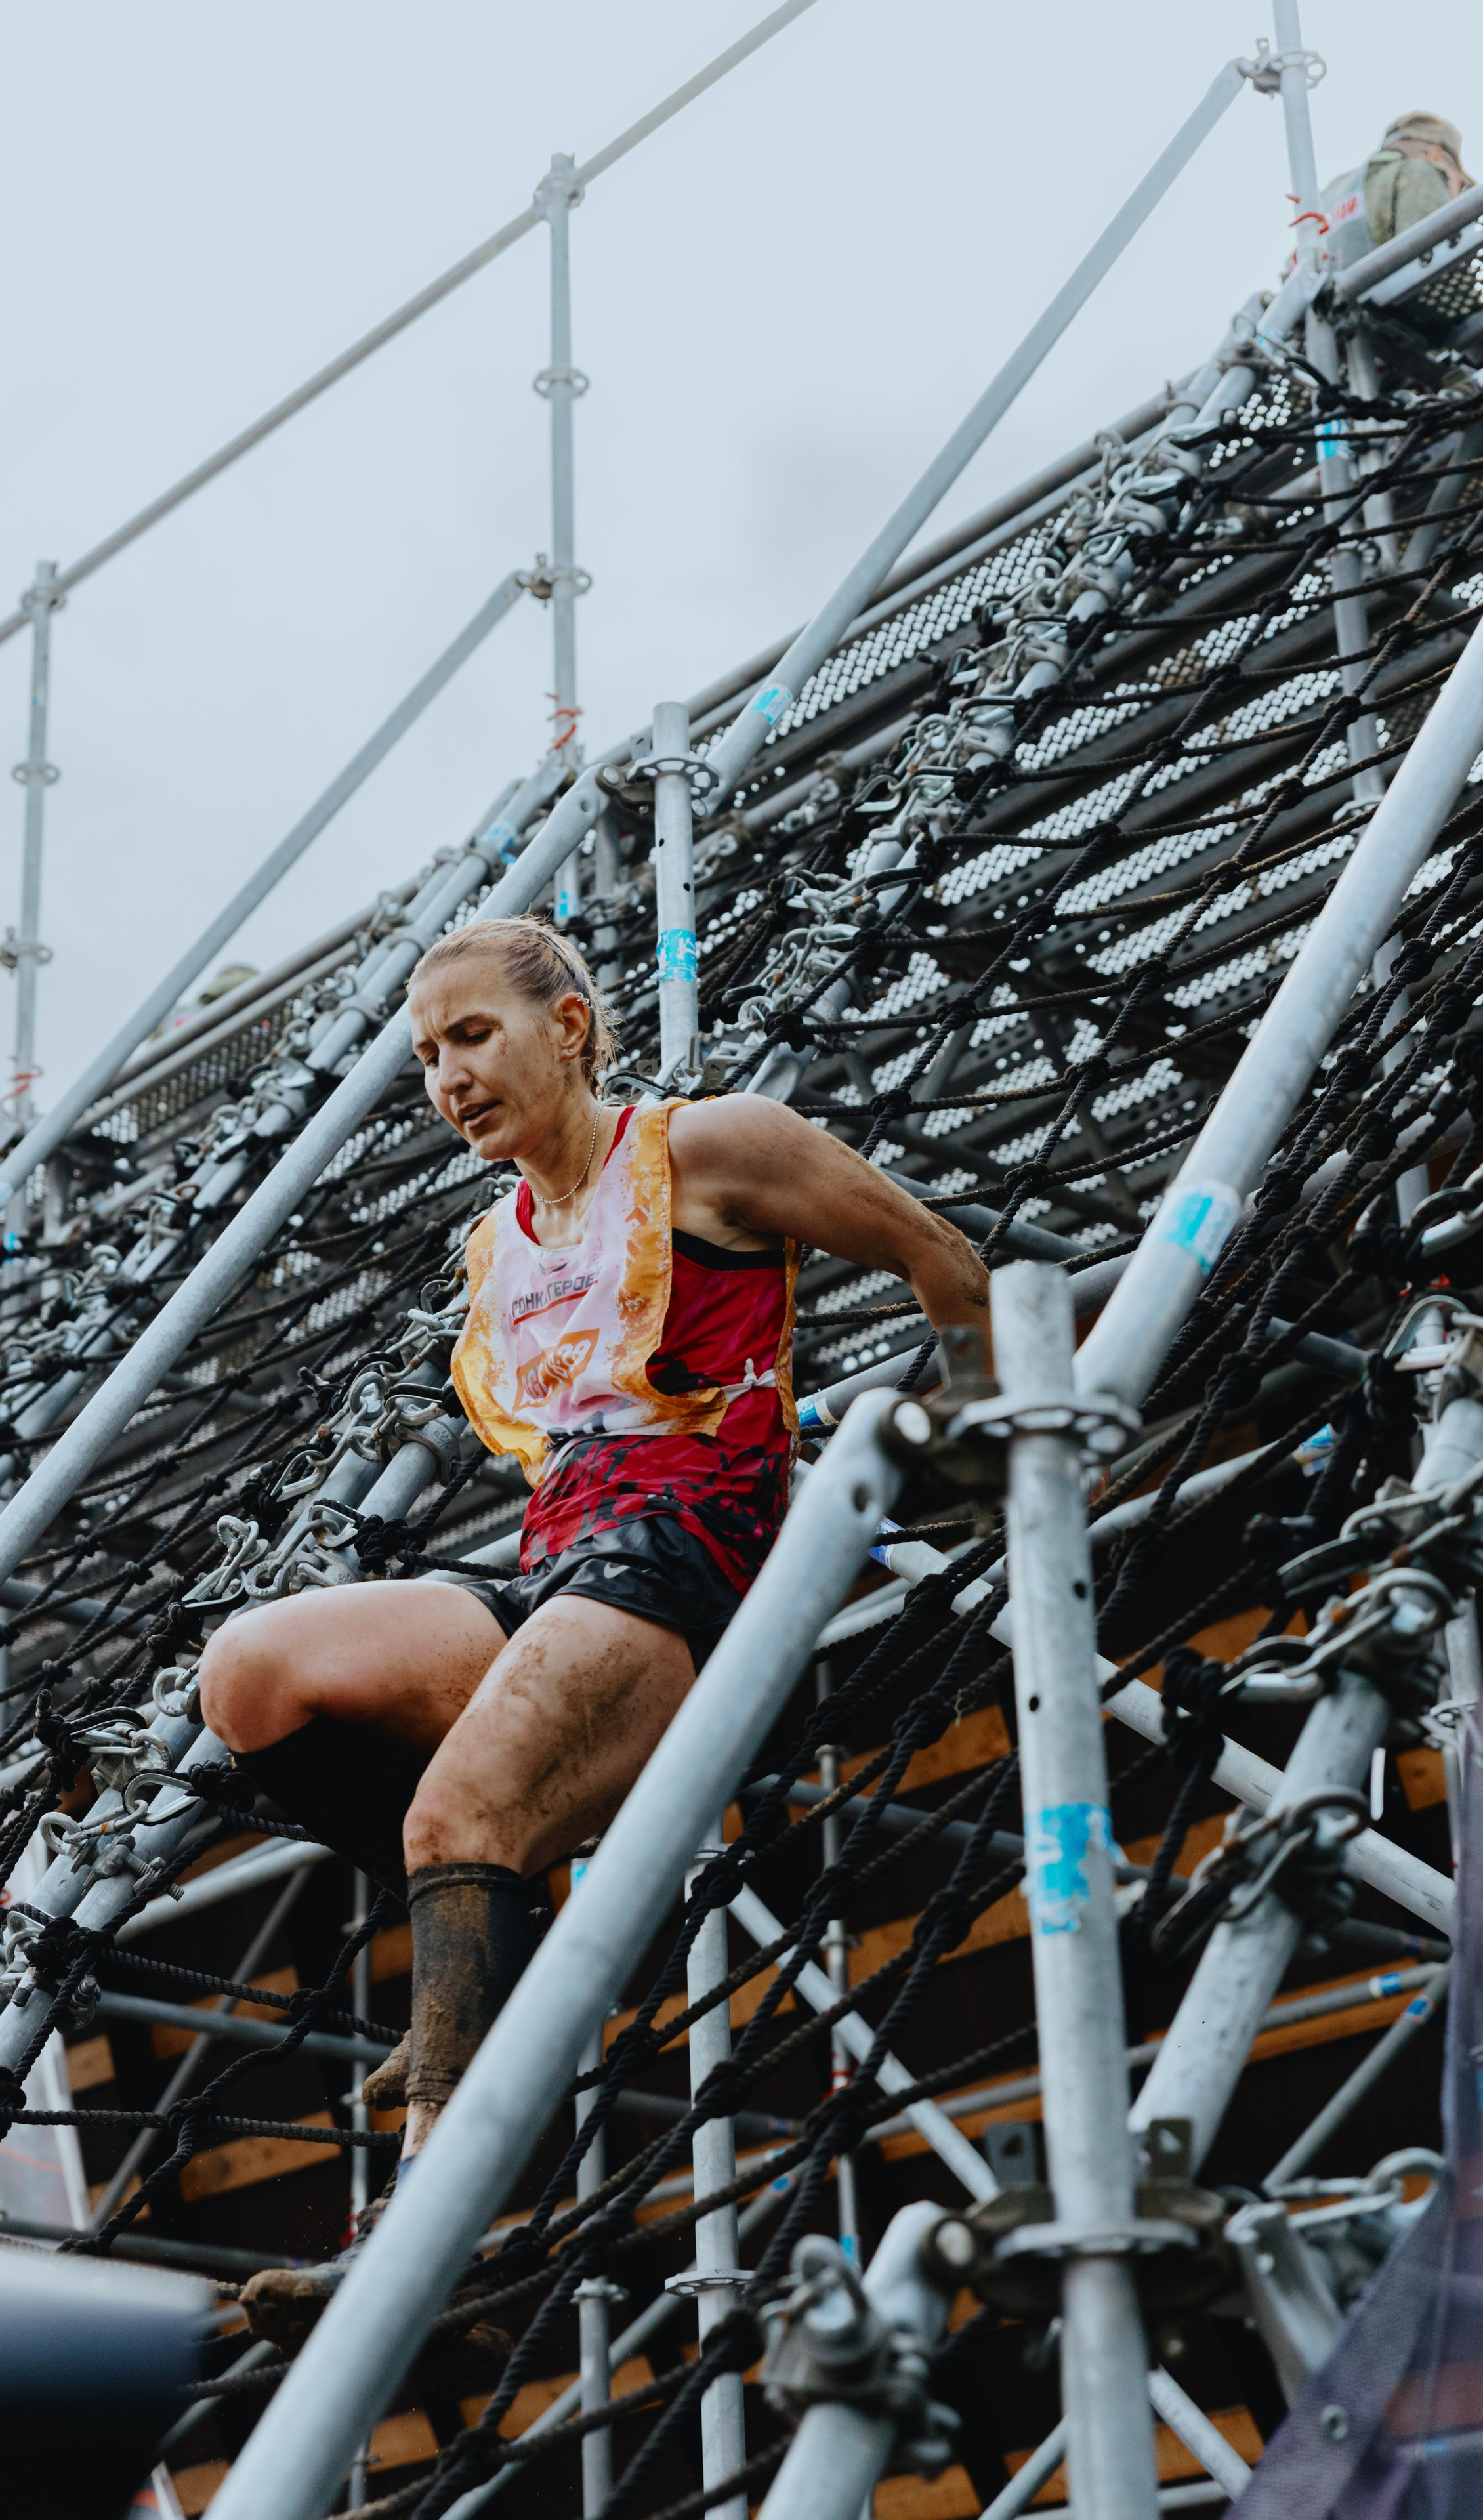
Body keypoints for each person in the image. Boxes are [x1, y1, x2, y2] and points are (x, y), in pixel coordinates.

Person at [198, 916, 988, 2340]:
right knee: (254, 1675)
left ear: (566, 1026)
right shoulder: (489, 1250)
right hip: (562, 1565)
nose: (446, 1075)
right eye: (426, 1054)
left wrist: (995, 1441)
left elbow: (939, 1258)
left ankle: (437, 2224)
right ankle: (482, 1962)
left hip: (689, 1552)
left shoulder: (710, 1148)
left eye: (473, 1035)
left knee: (460, 1813)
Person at [1322, 112, 1473, 272]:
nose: (1457, 194)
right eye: (1461, 186)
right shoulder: (1420, 175)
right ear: (1435, 156)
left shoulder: (1331, 195)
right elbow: (1433, 268)